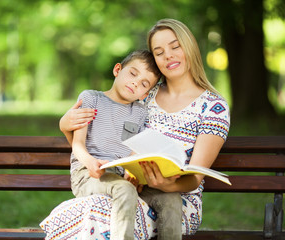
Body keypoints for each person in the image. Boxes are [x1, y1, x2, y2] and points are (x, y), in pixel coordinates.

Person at [59, 18, 231, 239]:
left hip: (178, 199)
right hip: (127, 186)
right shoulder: (144, 93)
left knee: (100, 215)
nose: (168, 55)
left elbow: (195, 179)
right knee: (103, 210)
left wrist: (166, 186)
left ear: (190, 46)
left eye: (175, 46)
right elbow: (101, 135)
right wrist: (65, 126)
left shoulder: (213, 107)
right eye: (159, 52)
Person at [69, 49, 161, 240]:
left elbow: (136, 150)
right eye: (133, 73)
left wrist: (134, 170)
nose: (136, 82)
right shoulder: (91, 98)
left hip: (121, 176)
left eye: (144, 83)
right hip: (89, 174)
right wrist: (90, 162)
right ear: (117, 69)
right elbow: (77, 144)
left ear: (146, 94)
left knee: (171, 201)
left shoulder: (140, 112)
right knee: (124, 189)